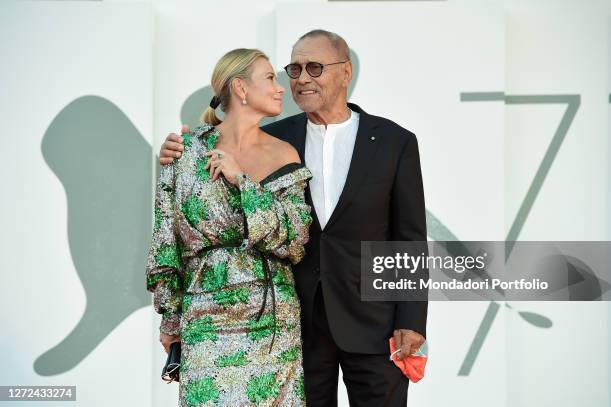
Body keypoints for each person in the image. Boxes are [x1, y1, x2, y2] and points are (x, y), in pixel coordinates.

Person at [160, 30, 428, 407]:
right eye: (294, 69)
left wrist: (412, 319)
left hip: (374, 323)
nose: (301, 78)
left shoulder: (393, 141)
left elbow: (410, 238)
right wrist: (177, 150)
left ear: (345, 72)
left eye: (314, 67)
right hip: (295, 324)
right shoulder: (272, 140)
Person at [146, 48, 313, 406]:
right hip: (205, 322)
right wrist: (170, 319)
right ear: (240, 87)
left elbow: (296, 240)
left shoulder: (285, 154)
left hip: (272, 326)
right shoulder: (185, 152)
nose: (280, 87)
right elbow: (166, 243)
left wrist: (243, 182)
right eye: (270, 78)